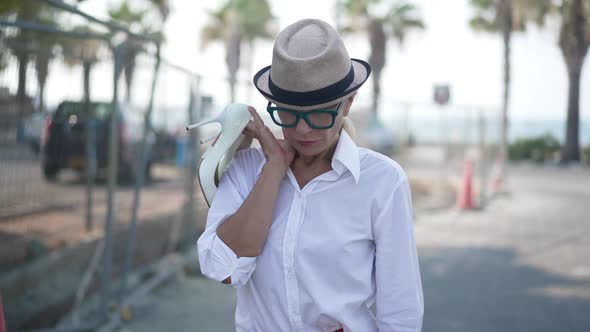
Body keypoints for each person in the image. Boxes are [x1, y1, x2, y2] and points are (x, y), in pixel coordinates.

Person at [197, 18, 423, 331]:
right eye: (288, 112)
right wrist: (273, 169)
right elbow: (222, 269)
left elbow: (400, 311)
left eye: (320, 112)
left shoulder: (382, 181)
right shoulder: (248, 170)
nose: (302, 129)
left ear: (347, 104)